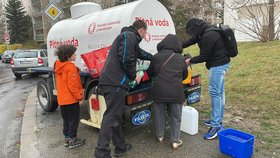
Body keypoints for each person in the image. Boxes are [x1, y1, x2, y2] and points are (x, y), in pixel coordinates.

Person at [94, 20, 152, 158]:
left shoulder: (130, 39)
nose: (145, 37)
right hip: (115, 82)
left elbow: (140, 53)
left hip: (112, 82)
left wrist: (154, 57)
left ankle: (120, 147)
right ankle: (101, 152)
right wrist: (134, 77)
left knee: (116, 116)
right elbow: (126, 59)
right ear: (142, 30)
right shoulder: (129, 36)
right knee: (112, 116)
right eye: (145, 33)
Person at [183, 18, 230, 140]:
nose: (193, 34)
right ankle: (217, 120)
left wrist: (190, 61)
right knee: (220, 93)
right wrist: (179, 45)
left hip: (218, 66)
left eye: (192, 31)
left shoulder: (209, 35)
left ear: (196, 28)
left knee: (215, 94)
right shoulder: (206, 30)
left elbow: (204, 56)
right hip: (222, 64)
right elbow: (193, 40)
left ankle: (215, 126)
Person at [146, 34, 188, 150]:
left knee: (159, 115)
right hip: (176, 92)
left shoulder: (155, 57)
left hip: (159, 91)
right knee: (176, 116)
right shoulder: (180, 58)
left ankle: (160, 136)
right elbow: (184, 75)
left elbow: (150, 74)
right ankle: (175, 141)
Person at [54, 44, 86, 148]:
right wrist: (80, 97)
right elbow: (73, 85)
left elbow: (64, 76)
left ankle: (67, 139)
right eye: (74, 53)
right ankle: (73, 140)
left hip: (62, 99)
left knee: (66, 120)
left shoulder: (57, 64)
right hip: (71, 100)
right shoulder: (70, 67)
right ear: (68, 56)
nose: (75, 54)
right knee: (74, 120)